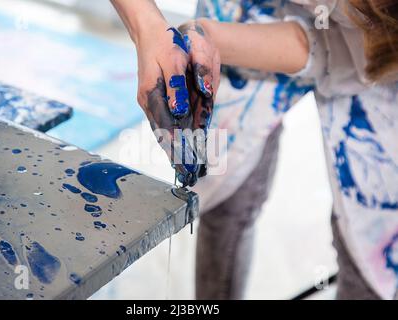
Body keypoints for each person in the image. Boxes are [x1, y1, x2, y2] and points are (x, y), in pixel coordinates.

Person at [111, 0, 398, 300]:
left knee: (372, 250)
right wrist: (152, 27)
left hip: (380, 50)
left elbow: (335, 51)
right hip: (243, 9)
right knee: (227, 196)